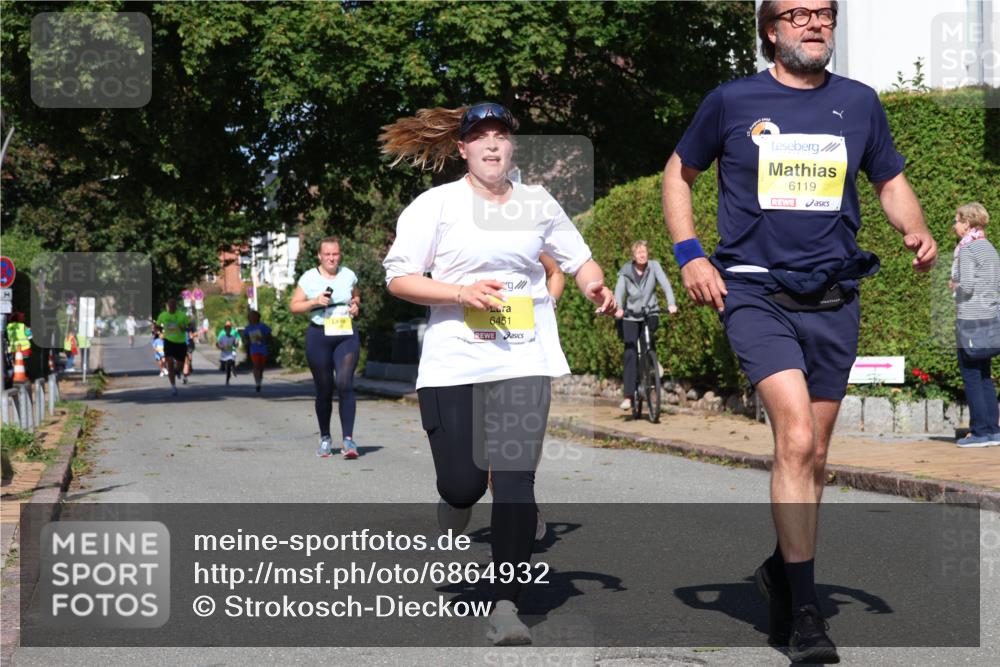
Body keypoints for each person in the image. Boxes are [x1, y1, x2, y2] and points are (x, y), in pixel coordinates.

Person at [661, 2, 937, 662]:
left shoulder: (861, 104)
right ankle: (807, 612)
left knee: (813, 458)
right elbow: (679, 174)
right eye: (798, 14)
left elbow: (890, 180)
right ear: (770, 29)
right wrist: (690, 253)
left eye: (824, 14)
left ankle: (781, 571)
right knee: (798, 433)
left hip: (835, 296)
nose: (814, 24)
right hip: (755, 291)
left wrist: (914, 227)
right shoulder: (731, 101)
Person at [381, 101, 617, 645]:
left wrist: (594, 286)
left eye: (501, 136)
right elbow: (399, 279)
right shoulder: (435, 205)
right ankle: (454, 503)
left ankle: (505, 604)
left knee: (515, 483)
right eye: (480, 136)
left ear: (512, 147)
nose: (492, 144)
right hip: (455, 360)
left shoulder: (537, 203)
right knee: (463, 483)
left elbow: (579, 259)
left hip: (522, 358)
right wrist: (460, 292)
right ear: (461, 148)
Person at [289, 238, 362, 459]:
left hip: (345, 334)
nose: (332, 258)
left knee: (344, 383)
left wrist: (356, 304)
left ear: (340, 255)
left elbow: (356, 294)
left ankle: (348, 440)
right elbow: (294, 306)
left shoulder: (348, 274)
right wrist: (314, 302)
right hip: (319, 334)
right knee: (324, 387)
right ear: (319, 256)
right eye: (327, 254)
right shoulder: (309, 278)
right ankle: (325, 438)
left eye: (335, 254)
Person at [949, 202, 1000, 448]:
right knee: (984, 375)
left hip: (970, 318)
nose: (954, 225)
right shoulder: (989, 247)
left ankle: (979, 432)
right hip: (989, 316)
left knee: (971, 374)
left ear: (967, 223)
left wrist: (953, 285)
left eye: (957, 220)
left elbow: (967, 286)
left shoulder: (968, 250)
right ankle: (992, 430)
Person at [613, 240, 678, 411]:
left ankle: (651, 362)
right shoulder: (625, 272)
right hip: (631, 316)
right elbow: (619, 292)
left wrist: (671, 303)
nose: (643, 255)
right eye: (639, 252)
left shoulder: (654, 266)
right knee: (630, 352)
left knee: (648, 338)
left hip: (650, 312)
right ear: (633, 256)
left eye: (645, 252)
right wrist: (619, 309)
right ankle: (628, 396)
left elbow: (665, 284)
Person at [155, 297, 192, 396]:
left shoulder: (182, 315)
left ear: (176, 306)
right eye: (169, 305)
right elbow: (157, 326)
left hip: (180, 343)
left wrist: (184, 328)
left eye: (173, 305)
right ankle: (173, 387)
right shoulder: (163, 315)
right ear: (167, 306)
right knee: (170, 363)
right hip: (168, 342)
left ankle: (177, 371)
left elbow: (189, 327)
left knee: (180, 366)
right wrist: (157, 329)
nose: (171, 307)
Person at [243, 310, 272, 393]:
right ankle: (257, 383)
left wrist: (263, 338)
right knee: (256, 365)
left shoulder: (262, 326)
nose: (252, 318)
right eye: (250, 317)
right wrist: (247, 341)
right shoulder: (248, 328)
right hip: (254, 349)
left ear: (258, 317)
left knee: (261, 367)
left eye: (253, 316)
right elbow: (245, 337)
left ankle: (259, 381)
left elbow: (270, 336)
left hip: (263, 348)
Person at [216, 320, 241, 386]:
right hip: (224, 355)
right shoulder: (222, 336)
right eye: (227, 328)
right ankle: (229, 369)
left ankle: (228, 379)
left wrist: (237, 343)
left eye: (229, 328)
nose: (228, 330)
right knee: (223, 368)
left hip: (230, 354)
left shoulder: (233, 337)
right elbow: (218, 344)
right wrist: (220, 347)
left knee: (229, 365)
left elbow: (235, 344)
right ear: (225, 329)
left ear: (230, 329)